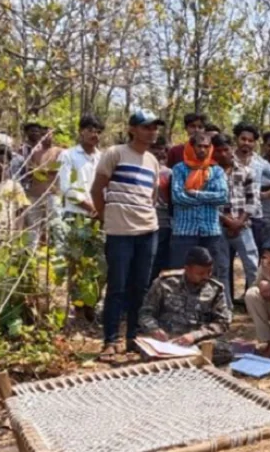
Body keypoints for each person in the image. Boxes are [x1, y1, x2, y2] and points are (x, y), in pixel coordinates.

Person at [90, 110, 163, 361]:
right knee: (117, 286)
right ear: (132, 129)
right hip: (120, 232)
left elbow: (152, 196)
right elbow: (97, 189)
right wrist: (105, 216)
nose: (151, 132)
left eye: (154, 128)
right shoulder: (115, 153)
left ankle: (133, 337)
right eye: (146, 127)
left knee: (140, 287)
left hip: (147, 231)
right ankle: (110, 340)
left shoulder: (152, 161)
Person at [139, 246, 232, 365]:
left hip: (197, 341)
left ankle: (182, 360)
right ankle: (186, 361)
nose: (206, 276)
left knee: (224, 351)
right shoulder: (165, 283)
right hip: (167, 340)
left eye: (209, 272)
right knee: (148, 350)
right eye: (200, 273)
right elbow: (145, 313)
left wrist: (195, 335)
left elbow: (222, 322)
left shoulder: (215, 289)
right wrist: (154, 329)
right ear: (187, 269)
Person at [169, 132, 230, 292]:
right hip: (184, 231)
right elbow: (177, 197)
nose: (202, 150)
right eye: (199, 146)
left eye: (206, 146)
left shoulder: (216, 171)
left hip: (210, 231)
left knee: (211, 275)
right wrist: (209, 198)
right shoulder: (179, 169)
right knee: (179, 274)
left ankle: (209, 305)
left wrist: (195, 194)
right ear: (191, 146)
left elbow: (222, 197)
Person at [58, 115, 106, 314]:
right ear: (81, 131)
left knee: (99, 263)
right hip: (76, 216)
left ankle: (91, 305)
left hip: (100, 218)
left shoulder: (103, 158)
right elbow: (66, 188)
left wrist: (101, 211)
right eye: (90, 130)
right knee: (76, 264)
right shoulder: (68, 155)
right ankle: (78, 308)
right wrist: (91, 208)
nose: (94, 135)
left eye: (98, 131)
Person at [213, 133, 258, 306]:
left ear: (232, 148)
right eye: (219, 151)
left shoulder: (246, 172)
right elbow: (208, 203)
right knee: (221, 268)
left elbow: (253, 200)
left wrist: (239, 222)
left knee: (252, 265)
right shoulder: (210, 173)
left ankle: (256, 305)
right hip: (218, 227)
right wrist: (226, 220)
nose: (223, 154)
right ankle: (225, 307)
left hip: (243, 226)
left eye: (226, 149)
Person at [232, 122, 270, 250]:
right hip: (231, 216)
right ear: (236, 139)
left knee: (255, 255)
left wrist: (264, 195)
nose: (246, 143)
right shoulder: (227, 158)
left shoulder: (260, 163)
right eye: (243, 139)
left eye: (250, 141)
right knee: (227, 256)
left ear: (255, 143)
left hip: (254, 216)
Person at [25, 127, 63, 246]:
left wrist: (41, 170)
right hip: (35, 194)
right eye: (43, 134)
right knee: (33, 225)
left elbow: (60, 170)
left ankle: (59, 251)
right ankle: (31, 252)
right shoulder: (35, 152)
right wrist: (41, 171)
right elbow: (30, 171)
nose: (46, 137)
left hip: (52, 193)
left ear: (53, 135)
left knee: (56, 224)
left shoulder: (59, 151)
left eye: (48, 134)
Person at [149, 135, 173, 283]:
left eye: (162, 149)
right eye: (154, 148)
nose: (159, 152)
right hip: (145, 222)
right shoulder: (142, 169)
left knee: (161, 260)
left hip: (164, 223)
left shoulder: (170, 173)